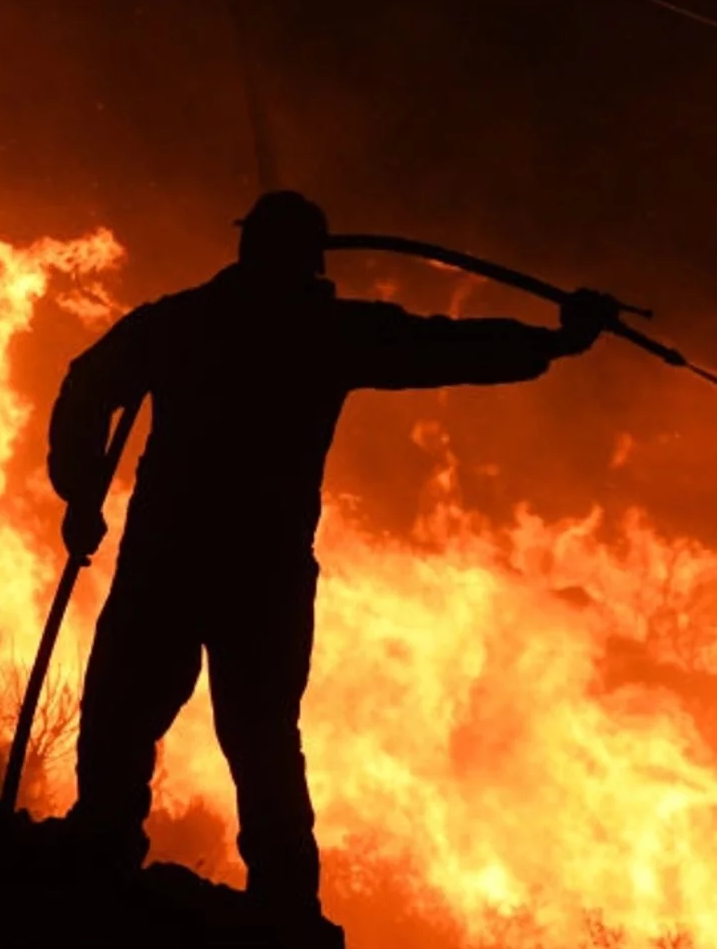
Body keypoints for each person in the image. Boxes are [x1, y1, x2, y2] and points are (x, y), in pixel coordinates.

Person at [45, 191, 617, 941]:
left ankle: (104, 859)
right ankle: (281, 910)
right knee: (259, 738)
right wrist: (557, 339)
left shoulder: (185, 322)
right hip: (261, 573)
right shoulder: (327, 333)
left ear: (247, 249)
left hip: (173, 560)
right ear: (311, 260)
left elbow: (88, 386)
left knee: (130, 716)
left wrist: (83, 491)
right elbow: (449, 347)